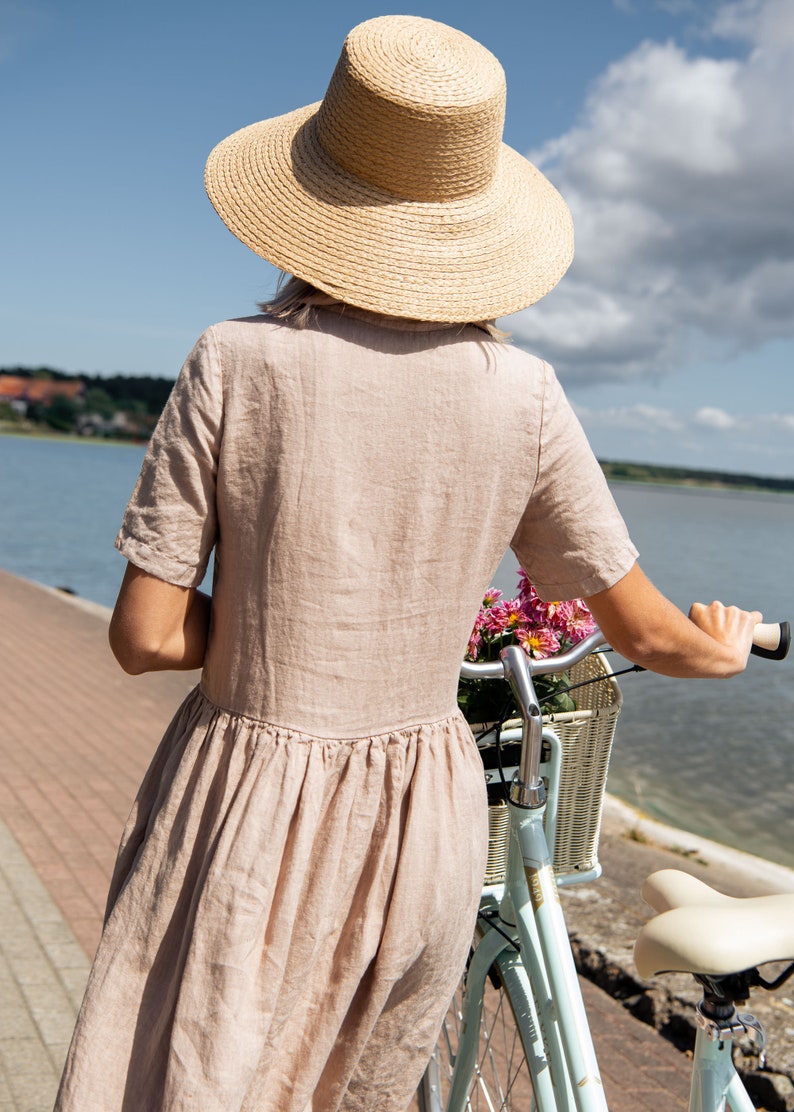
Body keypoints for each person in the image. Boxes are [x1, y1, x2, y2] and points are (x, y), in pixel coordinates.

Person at [54, 15, 760, 1112]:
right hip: (417, 822)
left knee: (190, 1069)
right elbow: (645, 634)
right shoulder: (521, 394)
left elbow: (143, 636)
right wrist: (713, 650)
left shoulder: (236, 361)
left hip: (241, 800)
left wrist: (269, 629)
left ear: (315, 195)